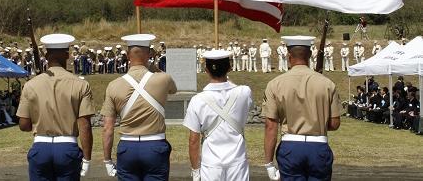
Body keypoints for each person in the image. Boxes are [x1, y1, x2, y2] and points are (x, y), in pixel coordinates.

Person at [262, 35, 342, 181]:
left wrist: (268, 163)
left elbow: (270, 126)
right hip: (318, 146)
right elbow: (334, 123)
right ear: (310, 54)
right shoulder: (327, 84)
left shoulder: (275, 84)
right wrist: (316, 120)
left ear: (288, 54)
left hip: (290, 147)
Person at [16, 33, 94, 180]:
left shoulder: (30, 85)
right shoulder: (81, 84)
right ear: (67, 55)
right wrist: (87, 159)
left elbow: (24, 125)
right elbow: (85, 125)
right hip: (67, 148)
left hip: (40, 147)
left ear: (46, 55)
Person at [101, 34, 177, 180]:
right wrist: (153, 67)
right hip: (155, 145)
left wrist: (107, 159)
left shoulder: (113, 85)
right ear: (149, 54)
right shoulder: (163, 79)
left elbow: (108, 128)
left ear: (128, 55)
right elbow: (173, 90)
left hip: (128, 146)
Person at [183, 50, 252, 181]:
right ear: (230, 68)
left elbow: (193, 140)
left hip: (211, 163)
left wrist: (195, 170)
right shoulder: (244, 92)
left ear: (206, 70)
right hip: (237, 160)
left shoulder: (197, 100)